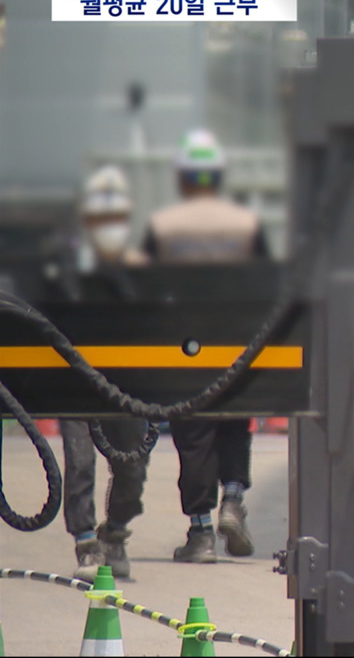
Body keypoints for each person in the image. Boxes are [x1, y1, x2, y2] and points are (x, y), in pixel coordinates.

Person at [142, 128, 270, 563]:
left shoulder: (163, 226)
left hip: (184, 345)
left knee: (193, 437)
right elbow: (264, 283)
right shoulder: (246, 223)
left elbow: (146, 287)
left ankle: (200, 535)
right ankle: (232, 500)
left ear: (182, 178)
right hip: (235, 343)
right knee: (234, 425)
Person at [55, 166, 150, 581]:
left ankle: (115, 532)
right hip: (75, 381)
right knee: (79, 461)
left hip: (124, 384)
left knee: (134, 464)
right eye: (99, 219)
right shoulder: (66, 265)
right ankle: (85, 542)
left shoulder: (137, 267)